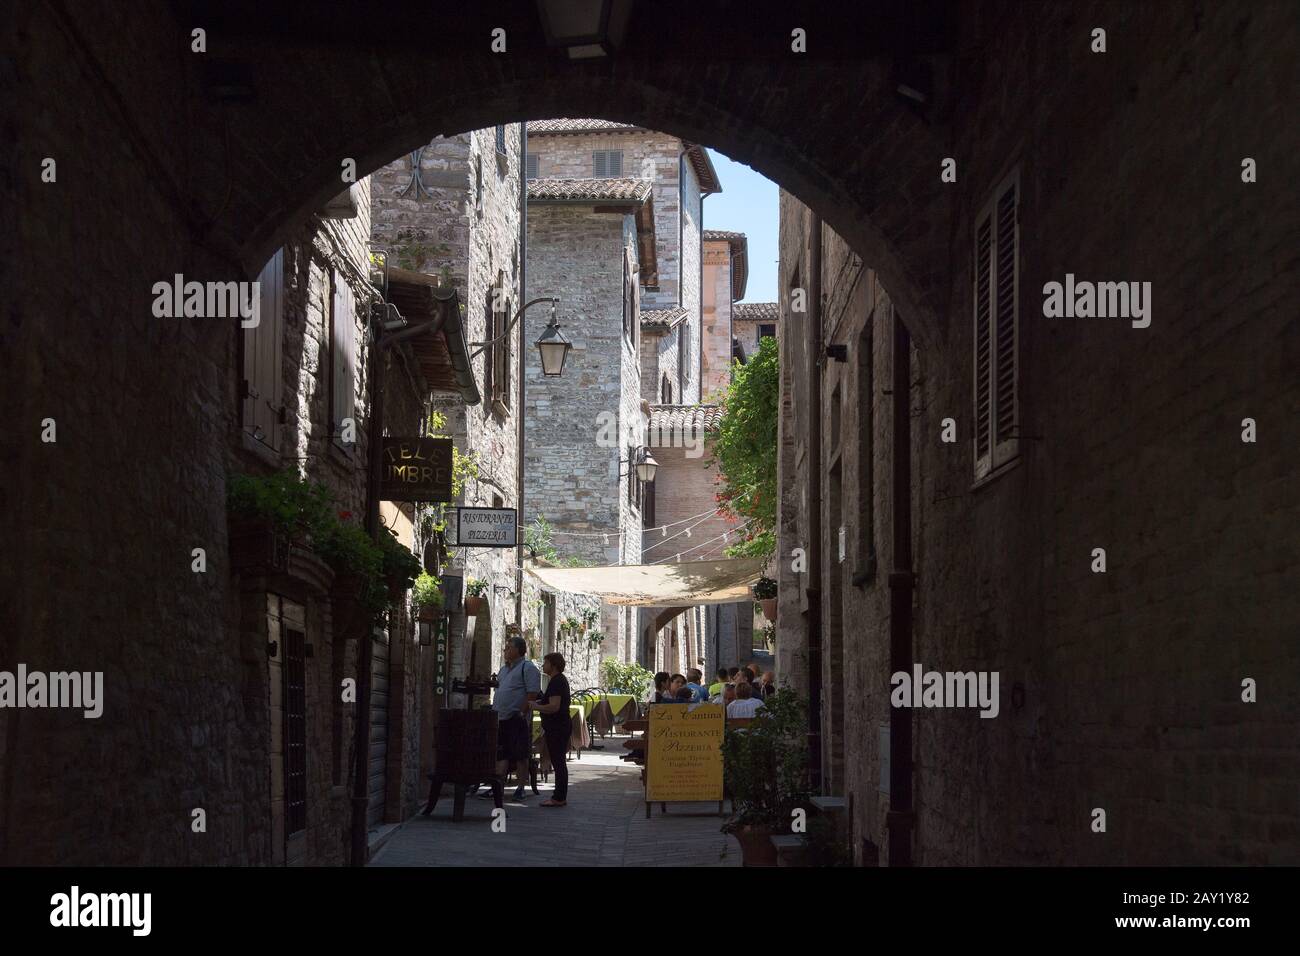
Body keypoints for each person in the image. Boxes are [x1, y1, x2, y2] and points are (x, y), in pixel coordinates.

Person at [493, 634, 541, 801]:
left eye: (509, 647)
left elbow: (533, 693)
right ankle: (497, 787)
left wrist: (522, 712)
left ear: (519, 650)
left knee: (521, 754)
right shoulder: (504, 669)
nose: (505, 650)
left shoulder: (528, 668)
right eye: (506, 647)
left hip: (517, 718)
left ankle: (521, 787)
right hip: (501, 718)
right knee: (502, 753)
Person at [526, 652, 571, 807]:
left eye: (545, 663)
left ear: (554, 665)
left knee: (558, 762)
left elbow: (554, 707)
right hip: (557, 726)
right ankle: (559, 796)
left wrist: (535, 706)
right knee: (558, 761)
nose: (543, 666)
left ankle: (558, 797)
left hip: (558, 727)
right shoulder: (555, 681)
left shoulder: (557, 681)